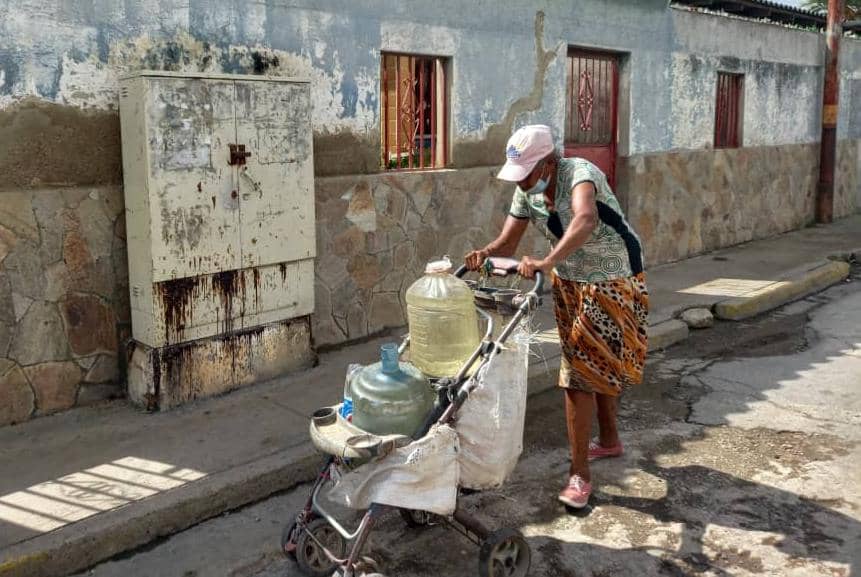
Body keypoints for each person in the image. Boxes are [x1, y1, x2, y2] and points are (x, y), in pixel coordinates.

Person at [465, 125, 649, 509]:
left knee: (578, 374)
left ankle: (579, 475)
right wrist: (485, 254)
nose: (523, 182)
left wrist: (546, 261)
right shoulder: (526, 193)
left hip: (612, 275)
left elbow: (584, 219)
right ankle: (610, 440)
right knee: (588, 362)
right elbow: (508, 242)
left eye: (529, 173)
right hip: (569, 279)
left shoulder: (580, 174)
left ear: (549, 162)